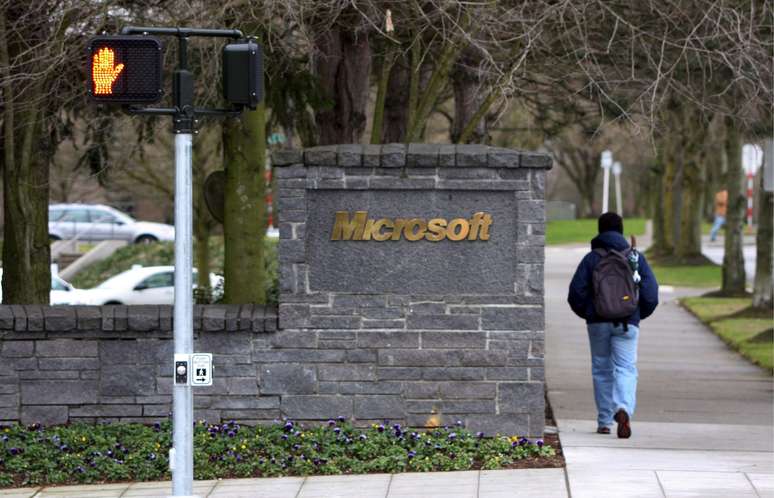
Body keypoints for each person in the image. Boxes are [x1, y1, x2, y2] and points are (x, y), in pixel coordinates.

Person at [567, 213, 659, 438]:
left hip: (598, 322)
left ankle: (604, 421)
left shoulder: (591, 259)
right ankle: (623, 408)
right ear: (621, 230)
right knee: (626, 368)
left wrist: (590, 313)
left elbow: (575, 294)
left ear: (600, 231)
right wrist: (636, 314)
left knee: (601, 369)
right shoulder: (635, 257)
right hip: (628, 322)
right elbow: (651, 294)